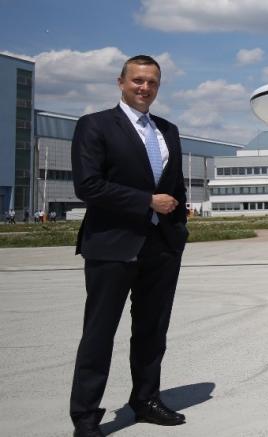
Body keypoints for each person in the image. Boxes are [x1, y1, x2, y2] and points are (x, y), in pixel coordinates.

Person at [69, 55, 190, 437]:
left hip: (161, 247)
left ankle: (146, 399)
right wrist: (146, 202)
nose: (145, 88)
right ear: (120, 82)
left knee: (152, 332)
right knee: (99, 334)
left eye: (152, 82)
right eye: (138, 80)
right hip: (112, 246)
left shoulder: (167, 130)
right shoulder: (95, 125)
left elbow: (176, 187)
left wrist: (178, 232)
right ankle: (86, 417)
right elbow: (87, 186)